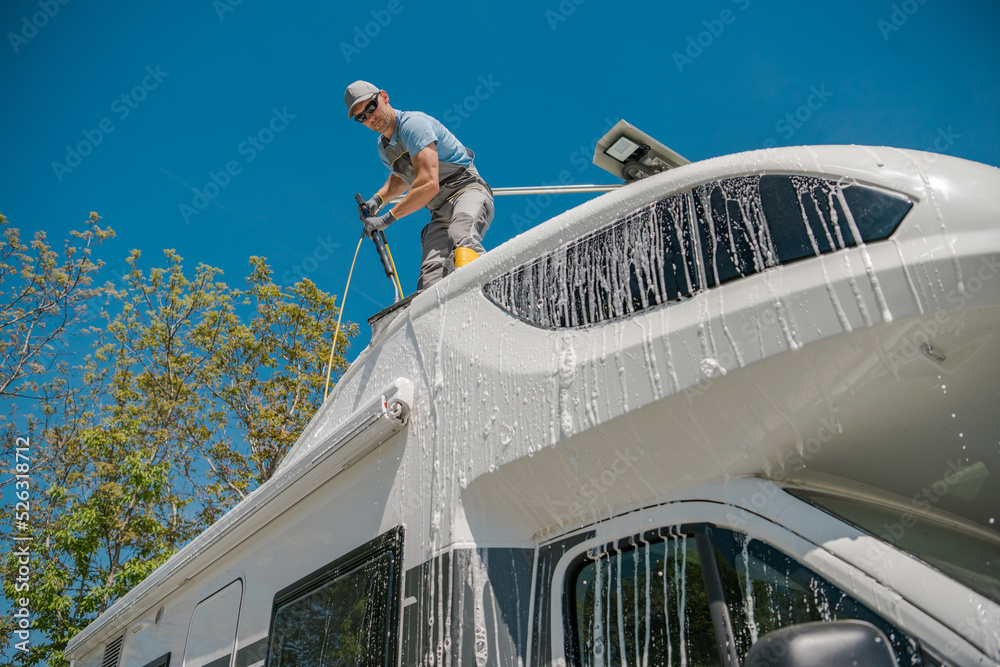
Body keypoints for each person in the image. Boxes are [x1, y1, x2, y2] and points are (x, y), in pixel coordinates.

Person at [345, 80, 494, 292]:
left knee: (462, 236)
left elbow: (428, 184)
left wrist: (386, 219)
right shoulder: (383, 147)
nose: (370, 117)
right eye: (361, 117)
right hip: (440, 211)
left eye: (371, 107)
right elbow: (401, 177)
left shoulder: (413, 125)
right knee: (431, 274)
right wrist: (377, 201)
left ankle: (486, 293)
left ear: (384, 97)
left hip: (467, 190)